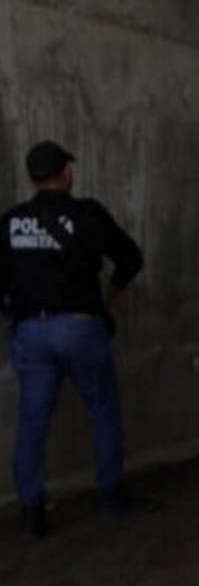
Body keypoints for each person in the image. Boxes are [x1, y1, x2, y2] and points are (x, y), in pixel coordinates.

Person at [0, 141, 143, 539]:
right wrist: (107, 301)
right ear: (66, 173)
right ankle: (112, 496)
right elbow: (131, 257)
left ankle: (32, 515)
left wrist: (16, 313)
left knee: (32, 422)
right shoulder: (87, 215)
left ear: (32, 177)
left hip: (31, 331)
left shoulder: (11, 222)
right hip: (80, 328)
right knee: (101, 411)